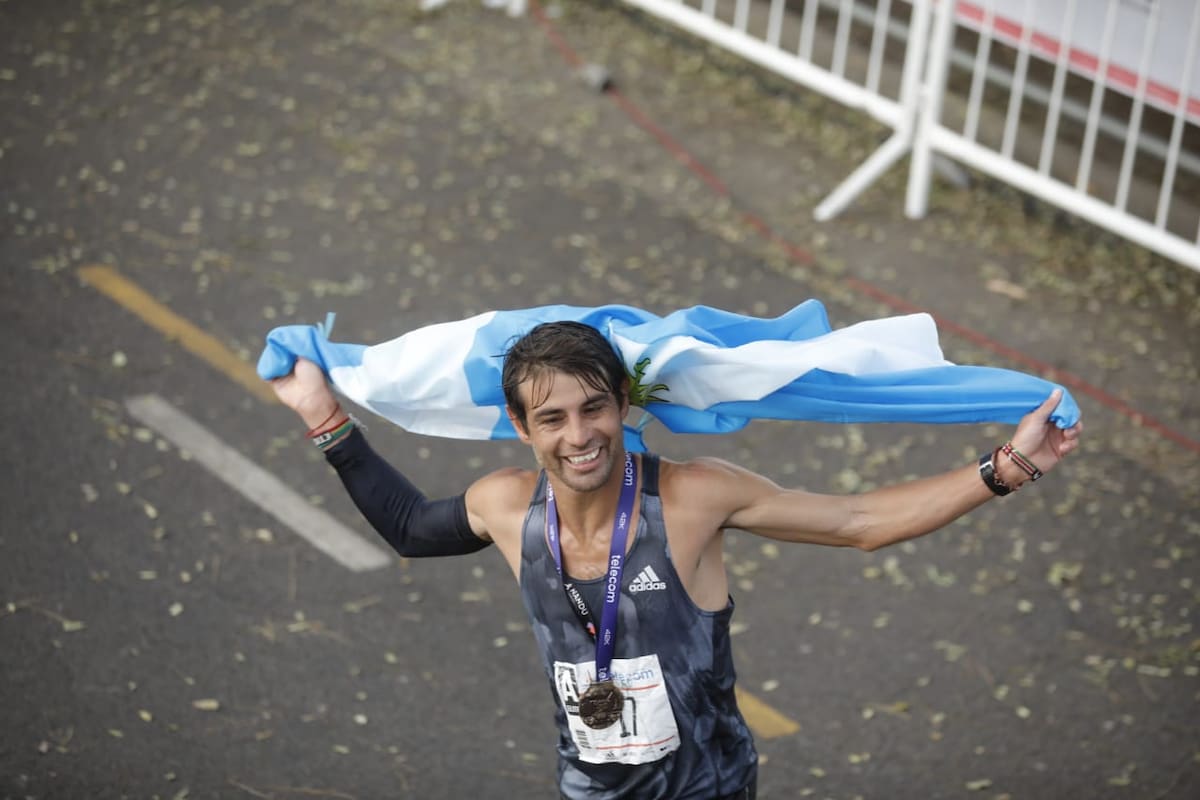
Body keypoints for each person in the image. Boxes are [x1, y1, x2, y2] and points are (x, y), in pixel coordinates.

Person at [270, 320, 1083, 800]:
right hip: (589, 787)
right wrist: (322, 413)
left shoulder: (692, 499)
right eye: (551, 417)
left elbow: (859, 520)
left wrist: (1007, 468)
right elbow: (411, 525)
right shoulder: (505, 505)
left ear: (624, 406)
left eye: (594, 407)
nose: (578, 434)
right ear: (523, 429)